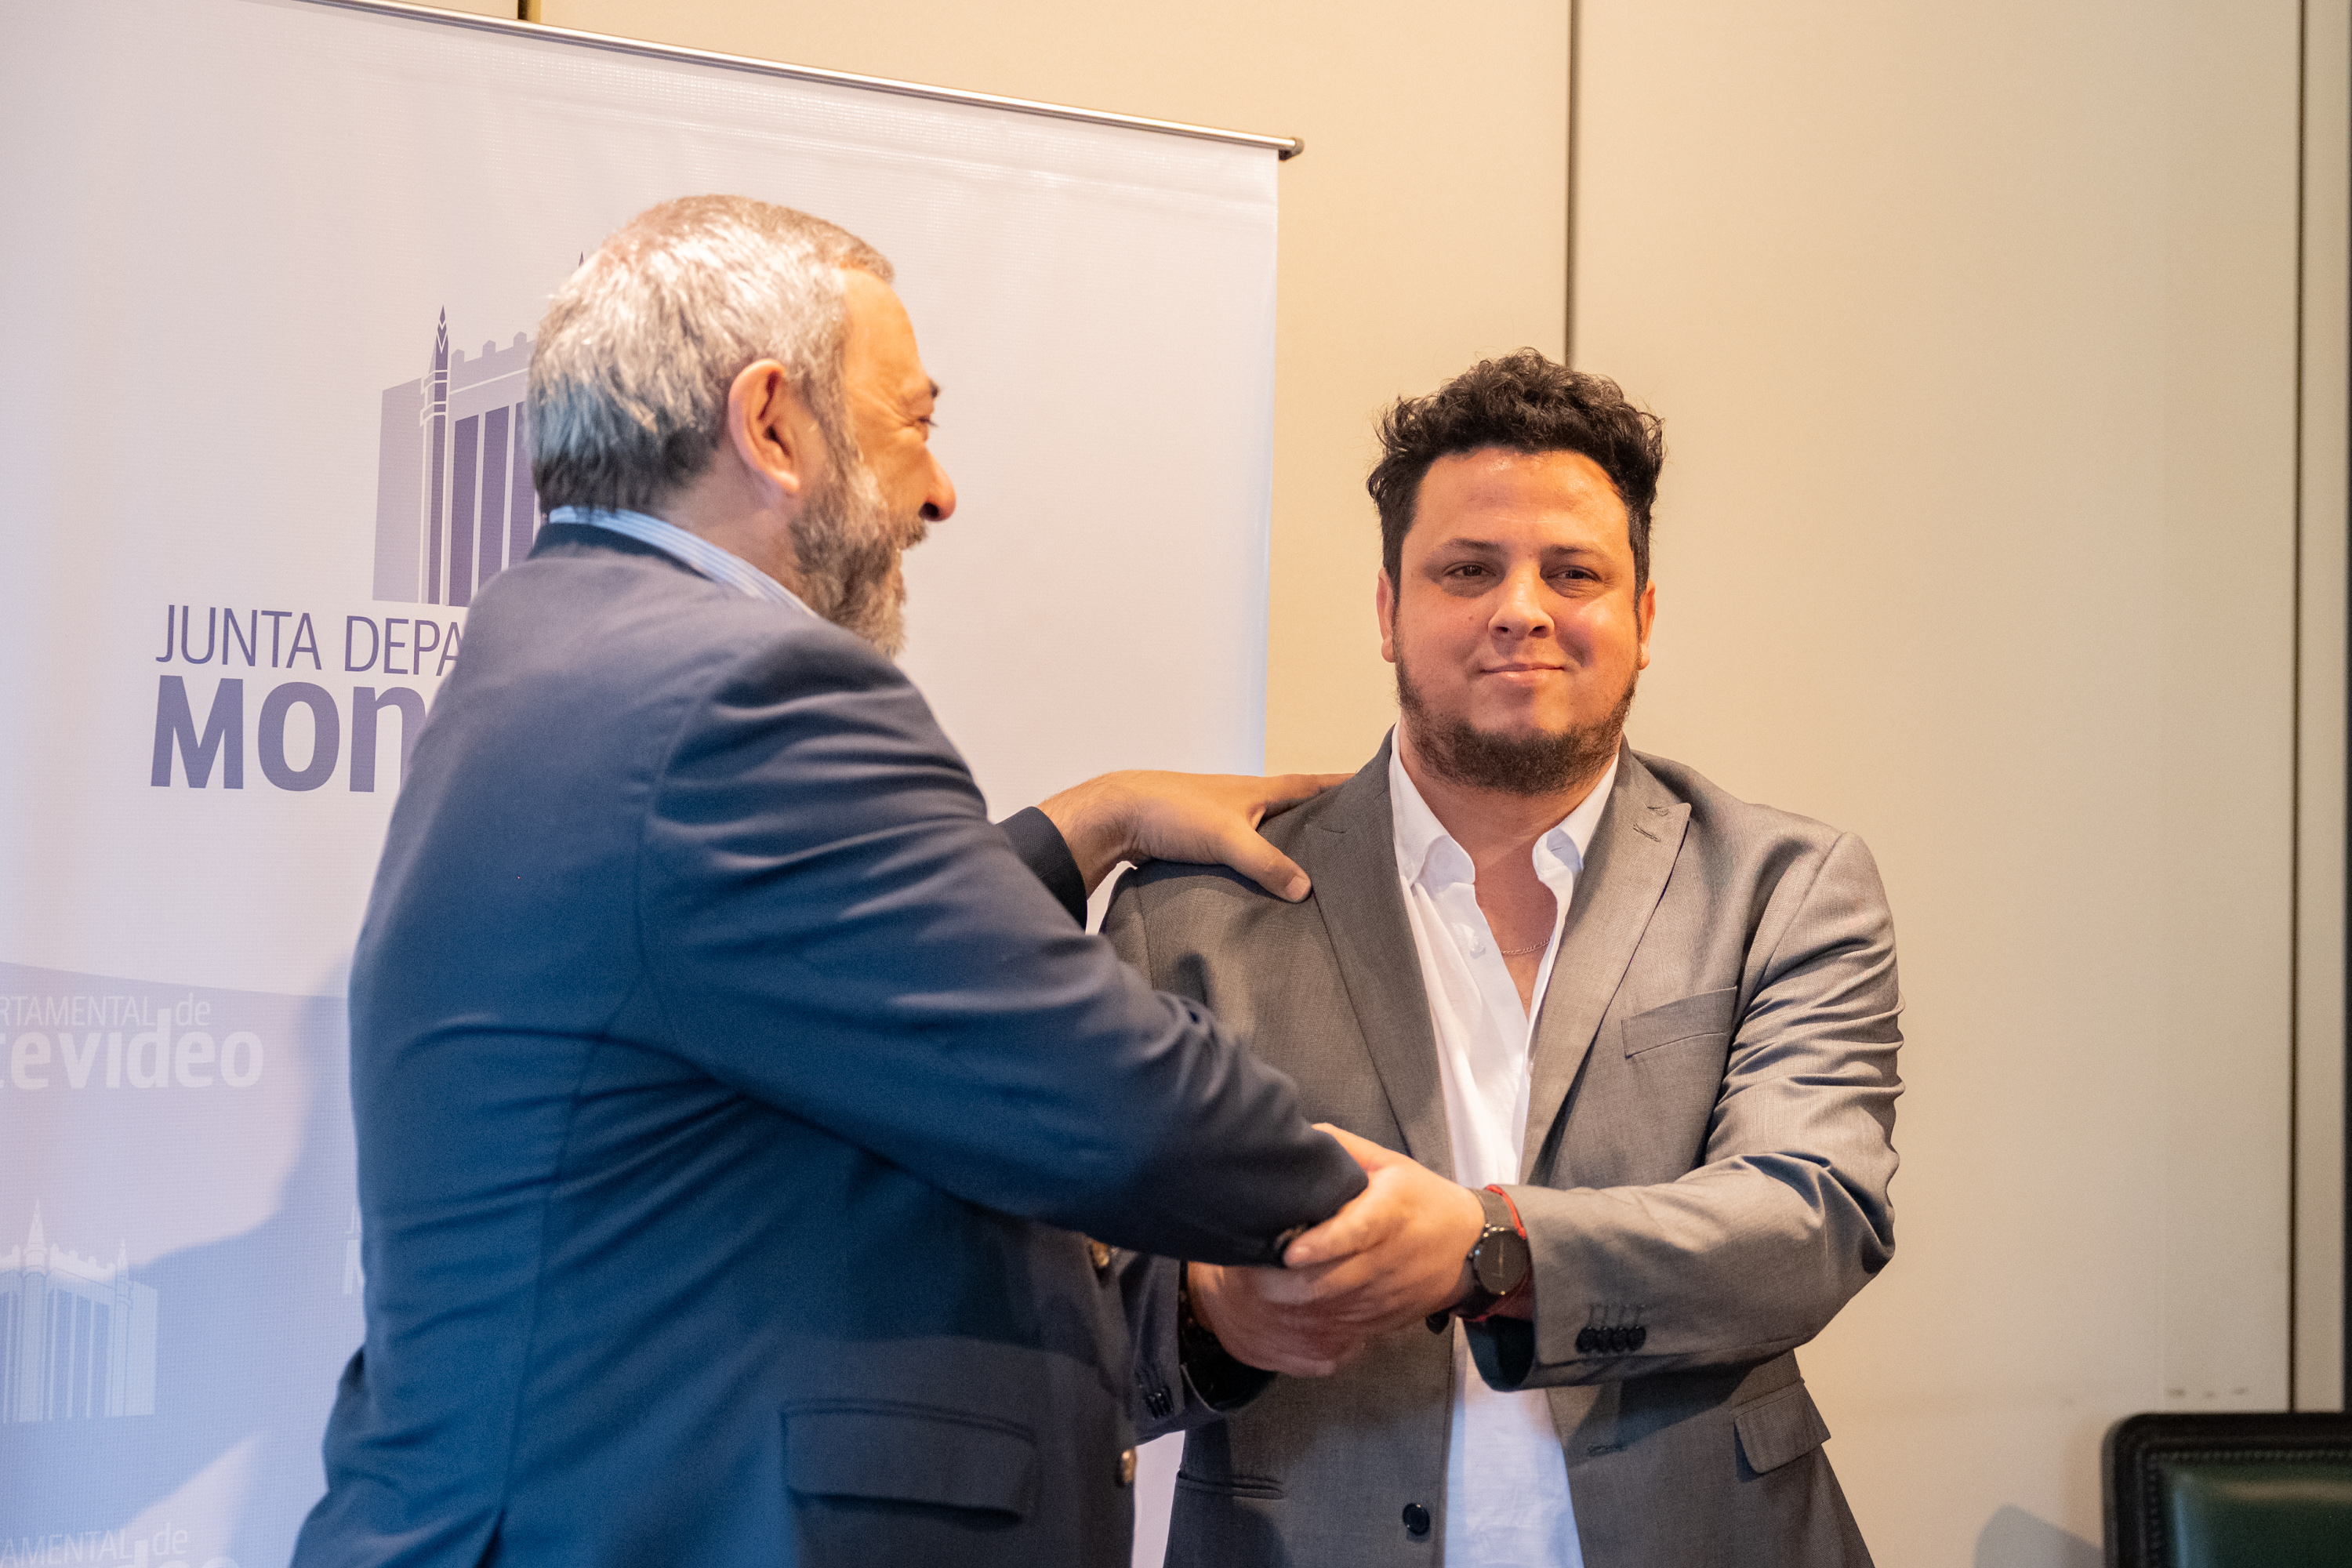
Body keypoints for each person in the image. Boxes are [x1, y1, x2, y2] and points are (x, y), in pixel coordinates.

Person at [289, 196, 1376, 1568]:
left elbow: (775, 975)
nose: (940, 491)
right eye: (913, 422)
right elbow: (1100, 1100)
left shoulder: (558, 654)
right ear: (772, 424)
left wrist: (1083, 826)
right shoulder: (743, 691)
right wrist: (1400, 1219)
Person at [1108, 350, 1903, 1567]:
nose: (1521, 608)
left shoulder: (1784, 886)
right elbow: (1059, 1286)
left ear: (1643, 618)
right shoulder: (1191, 914)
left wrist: (1491, 1249)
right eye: (1468, 569)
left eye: (1573, 572)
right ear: (1388, 612)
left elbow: (1812, 1219)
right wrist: (1211, 1311)